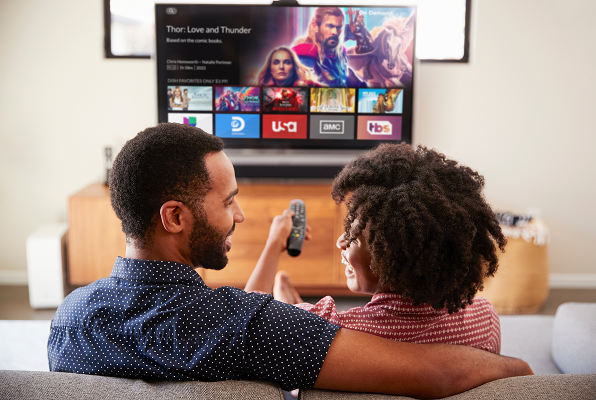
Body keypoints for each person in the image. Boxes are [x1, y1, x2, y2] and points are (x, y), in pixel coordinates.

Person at [48, 124, 532, 398]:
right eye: (228, 202)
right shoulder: (254, 328)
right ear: (174, 216)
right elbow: (436, 372)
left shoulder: (68, 319)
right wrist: (519, 370)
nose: (239, 215)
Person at [245, 143, 504, 355]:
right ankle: (288, 300)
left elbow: (242, 324)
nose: (340, 242)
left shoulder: (330, 328)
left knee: (280, 312)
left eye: (354, 235)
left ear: (389, 257)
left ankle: (287, 303)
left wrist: (274, 244)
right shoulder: (484, 319)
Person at [292, 7, 366, 87]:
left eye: (339, 27)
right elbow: (303, 87)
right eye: (330, 26)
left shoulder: (340, 52)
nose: (335, 32)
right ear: (315, 26)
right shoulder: (306, 52)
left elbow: (345, 77)